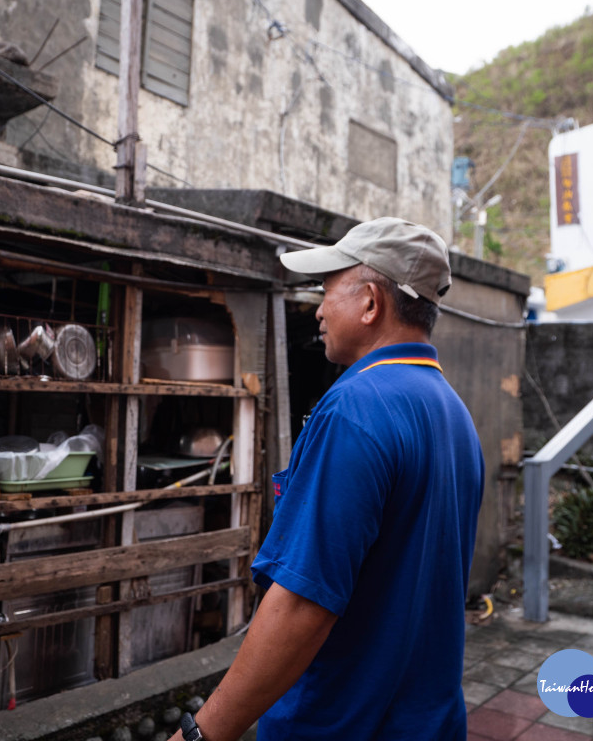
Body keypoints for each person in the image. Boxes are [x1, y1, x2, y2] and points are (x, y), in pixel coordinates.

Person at [173, 217, 485, 741]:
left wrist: (203, 734)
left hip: (342, 725)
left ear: (369, 303)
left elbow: (302, 602)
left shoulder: (356, 407)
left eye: (327, 290)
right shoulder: (454, 411)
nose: (317, 309)